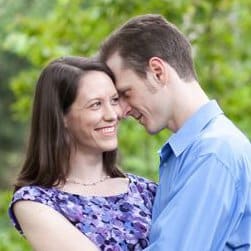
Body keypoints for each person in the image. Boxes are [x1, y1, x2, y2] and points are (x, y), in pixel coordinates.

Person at [99, 14, 251, 250]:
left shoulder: (212, 153)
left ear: (158, 71)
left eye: (126, 93)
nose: (122, 111)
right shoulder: (191, 152)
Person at [8, 56, 157, 251]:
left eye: (114, 100)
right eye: (96, 104)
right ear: (61, 117)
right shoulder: (35, 203)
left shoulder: (146, 191)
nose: (112, 115)